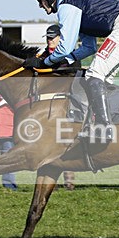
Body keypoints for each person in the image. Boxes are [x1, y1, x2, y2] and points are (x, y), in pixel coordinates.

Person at [24, 0, 119, 142]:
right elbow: (89, 47)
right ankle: (111, 121)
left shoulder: (67, 6)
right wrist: (65, 61)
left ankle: (104, 128)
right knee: (103, 78)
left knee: (94, 74)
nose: (39, 5)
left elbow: (65, 47)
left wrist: (44, 62)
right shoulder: (74, 7)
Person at [37, 24, 77, 189]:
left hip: (66, 105)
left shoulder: (70, 54)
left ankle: (69, 180)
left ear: (61, 38)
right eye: (48, 38)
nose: (49, 40)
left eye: (52, 37)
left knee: (65, 141)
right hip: (45, 107)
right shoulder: (42, 55)